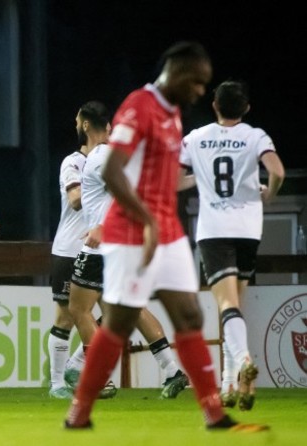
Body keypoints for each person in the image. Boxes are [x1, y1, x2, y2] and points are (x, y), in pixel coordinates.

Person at [64, 41, 268, 431]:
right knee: (119, 322)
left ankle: (214, 414)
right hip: (130, 230)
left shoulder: (173, 114)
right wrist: (147, 219)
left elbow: (167, 178)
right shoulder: (139, 105)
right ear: (179, 71)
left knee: (189, 314)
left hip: (167, 231)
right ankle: (80, 410)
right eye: (197, 82)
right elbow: (113, 172)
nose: (199, 92)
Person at [64, 101, 189, 400]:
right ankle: (171, 370)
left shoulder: (98, 157)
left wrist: (104, 228)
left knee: (78, 309)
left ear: (84, 124)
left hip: (101, 249)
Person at [178, 80, 285, 410]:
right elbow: (277, 172)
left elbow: (170, 180)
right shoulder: (255, 135)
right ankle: (231, 385)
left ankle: (244, 365)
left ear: (214, 105)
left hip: (214, 230)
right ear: (246, 108)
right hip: (248, 229)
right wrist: (270, 193)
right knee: (235, 307)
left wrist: (199, 177)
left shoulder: (196, 138)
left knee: (226, 306)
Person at [46, 103, 95, 399]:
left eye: (77, 118)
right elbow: (75, 199)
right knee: (65, 317)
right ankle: (56, 383)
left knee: (119, 312)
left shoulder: (113, 163)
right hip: (70, 249)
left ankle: (76, 363)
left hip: (102, 251)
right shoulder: (73, 163)